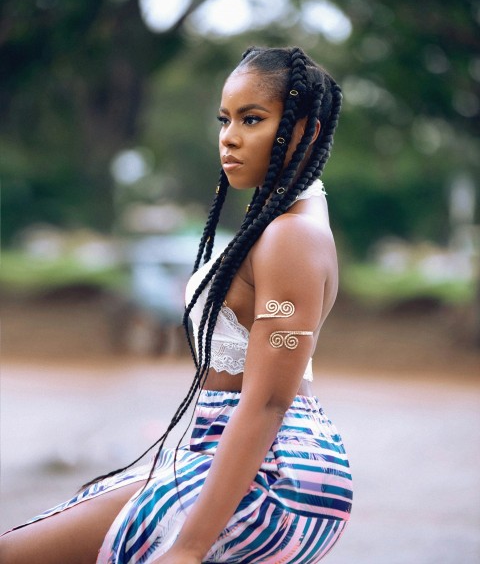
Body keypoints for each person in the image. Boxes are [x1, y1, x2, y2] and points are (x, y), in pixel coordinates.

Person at [0, 46, 352, 563]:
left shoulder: (290, 237)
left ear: (304, 131)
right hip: (245, 458)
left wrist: (188, 547)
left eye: (252, 119)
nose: (229, 136)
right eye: (225, 119)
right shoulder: (287, 224)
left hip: (270, 478)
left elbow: (270, 400)